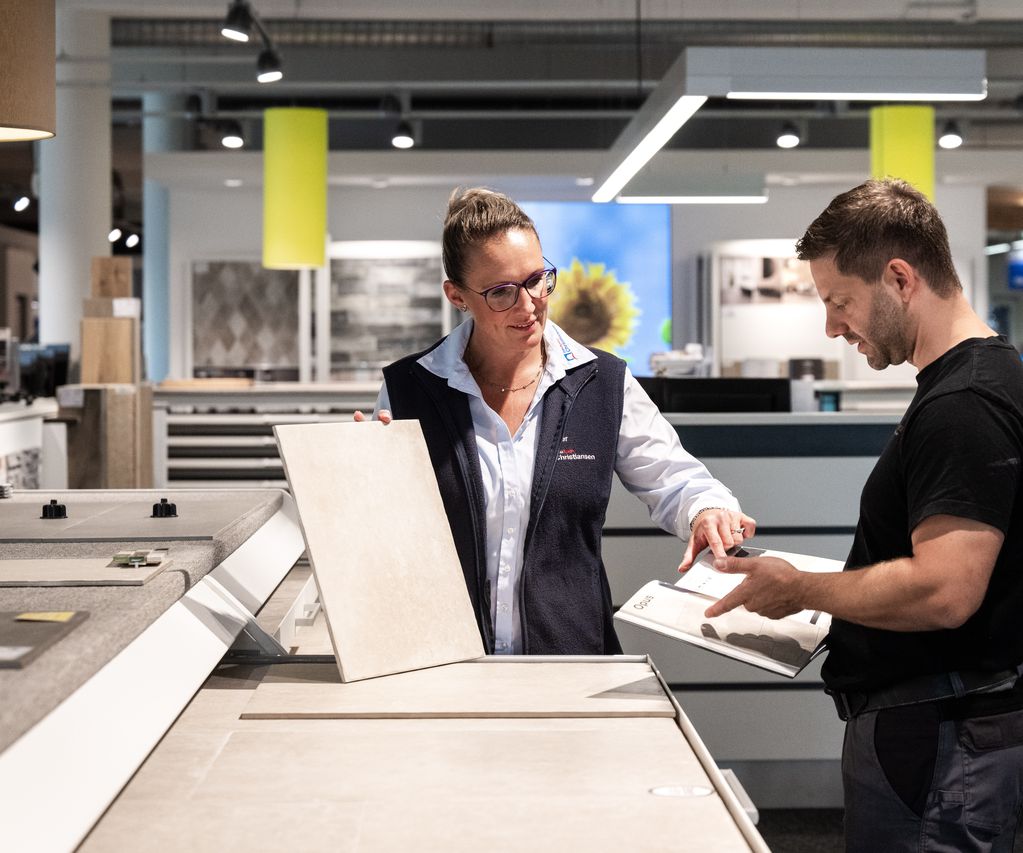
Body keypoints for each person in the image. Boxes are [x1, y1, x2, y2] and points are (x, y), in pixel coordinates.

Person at [706, 178, 1023, 852]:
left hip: (942, 748)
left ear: (900, 278)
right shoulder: (978, 382)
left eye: (838, 301)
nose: (831, 325)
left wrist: (800, 590)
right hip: (944, 741)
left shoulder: (962, 404)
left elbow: (944, 589)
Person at [356, 187, 754, 656]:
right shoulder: (411, 389)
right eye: (501, 292)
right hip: (442, 659)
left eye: (537, 279)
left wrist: (706, 509)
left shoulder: (602, 382)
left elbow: (675, 477)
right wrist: (362, 479)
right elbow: (379, 539)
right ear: (457, 296)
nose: (528, 305)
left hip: (572, 659)